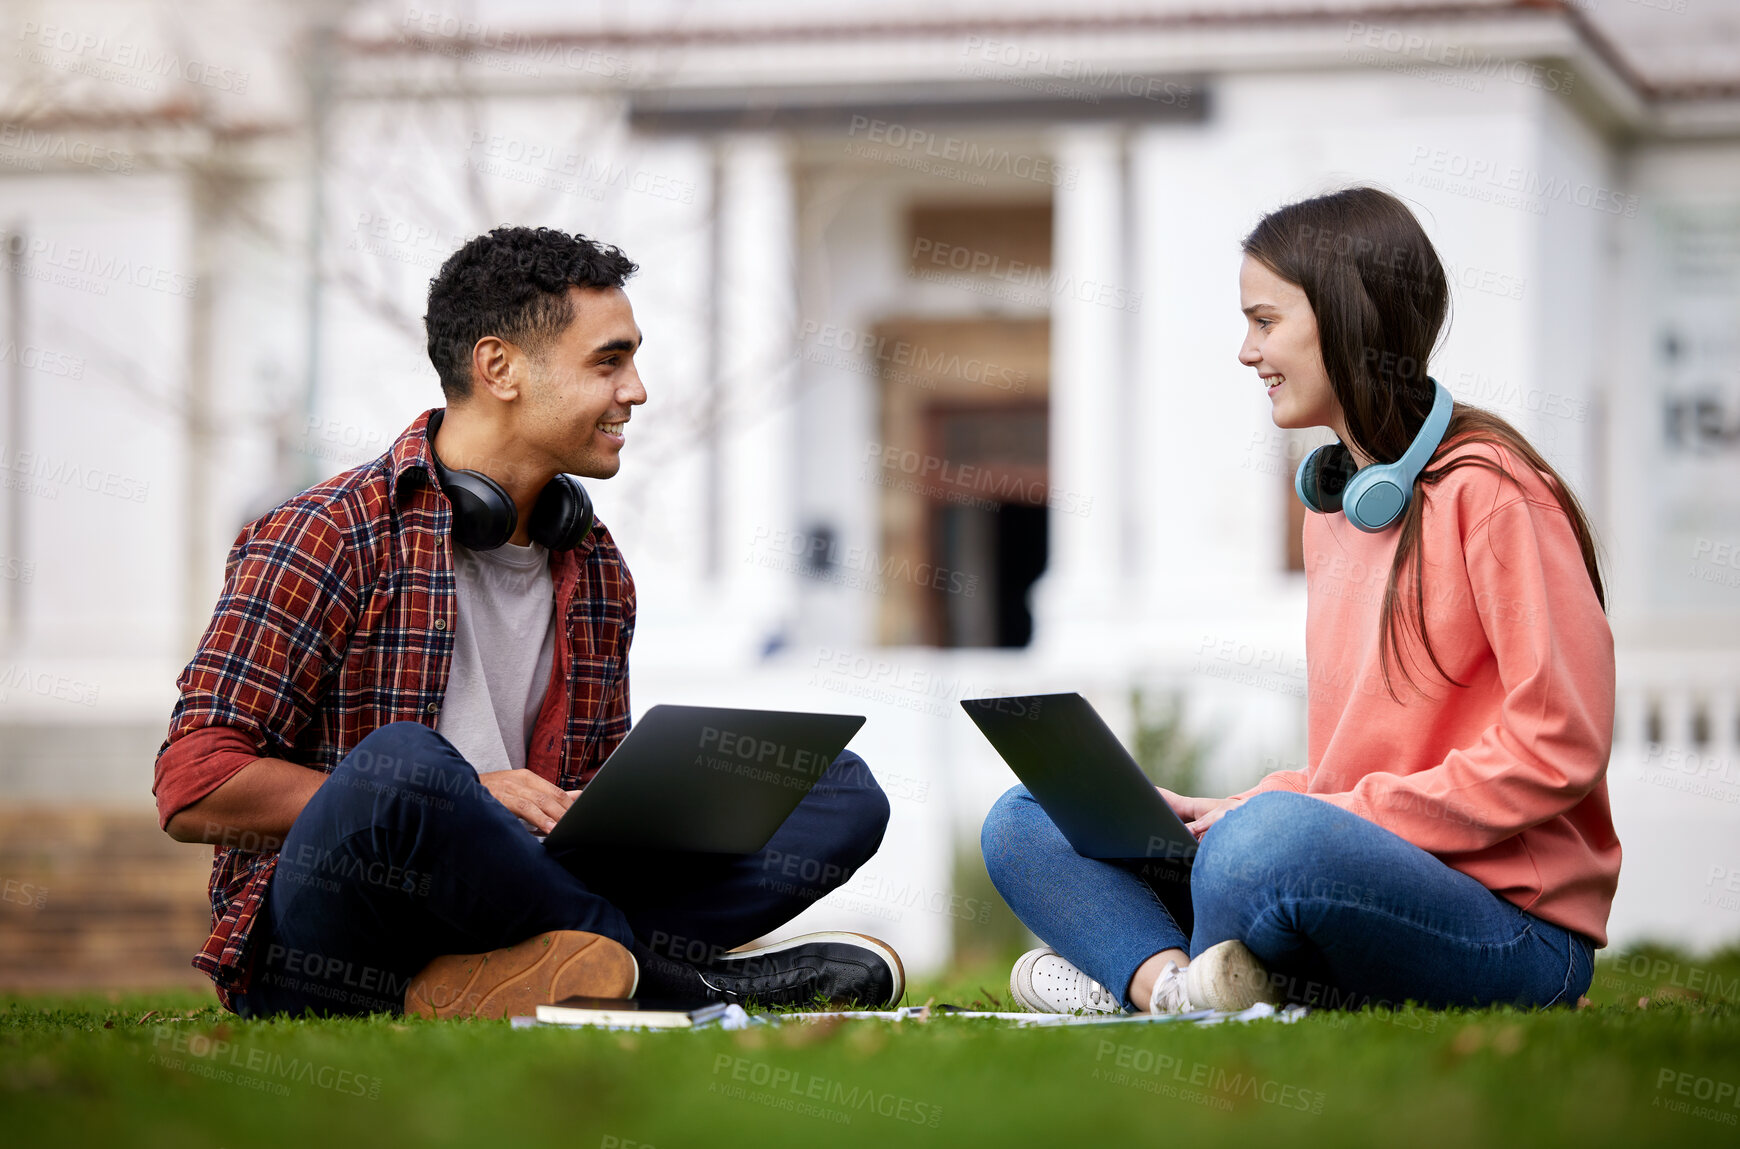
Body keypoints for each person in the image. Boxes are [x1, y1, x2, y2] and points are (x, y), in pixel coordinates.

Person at [154, 226, 901, 1019]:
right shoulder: (328, 531)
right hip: (343, 936)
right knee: (406, 767)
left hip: (529, 890)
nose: (637, 390)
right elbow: (194, 782)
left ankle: (534, 974)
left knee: (838, 790)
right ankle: (672, 979)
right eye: (608, 362)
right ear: (499, 368)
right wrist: (469, 793)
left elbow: (588, 789)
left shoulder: (597, 565)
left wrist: (622, 800)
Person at [981, 187, 1618, 1016]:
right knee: (1028, 818)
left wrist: (1288, 819)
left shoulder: (1495, 495)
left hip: (1511, 928)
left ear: (1347, 319)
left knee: (1264, 846)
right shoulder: (1339, 513)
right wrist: (1237, 805)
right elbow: (1359, 769)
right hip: (1343, 869)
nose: (1248, 352)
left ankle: (1146, 971)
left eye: (1264, 320)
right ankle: (1169, 984)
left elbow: (1558, 747)